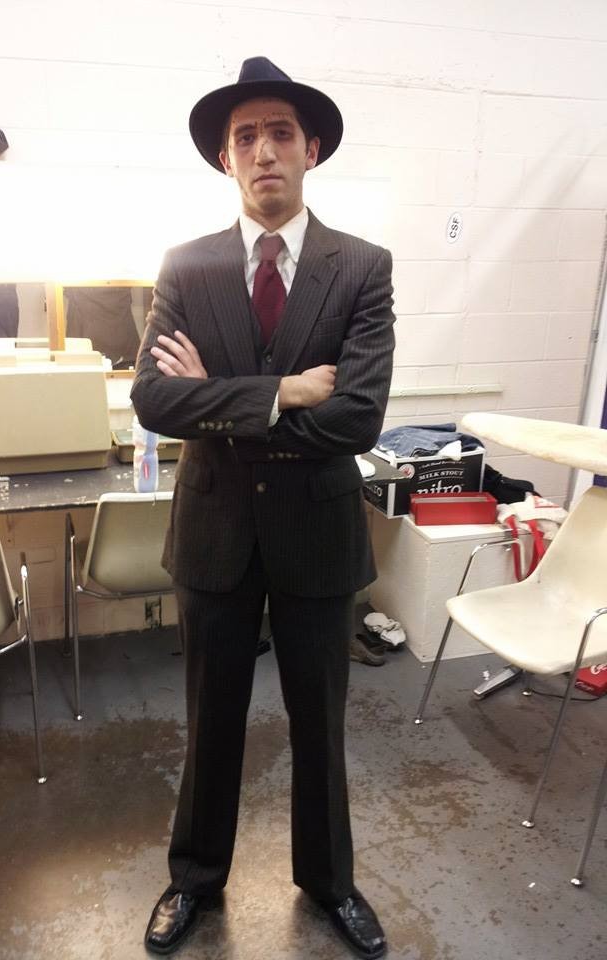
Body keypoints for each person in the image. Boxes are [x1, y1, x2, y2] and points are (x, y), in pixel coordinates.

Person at [131, 56, 395, 959]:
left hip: (318, 534)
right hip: (215, 534)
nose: (263, 150)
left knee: (321, 724)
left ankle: (330, 883)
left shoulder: (361, 269)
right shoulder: (188, 266)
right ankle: (194, 880)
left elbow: (357, 417)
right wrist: (281, 394)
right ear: (225, 158)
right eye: (245, 137)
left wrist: (218, 397)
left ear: (311, 149)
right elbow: (154, 402)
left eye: (281, 132)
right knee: (210, 720)